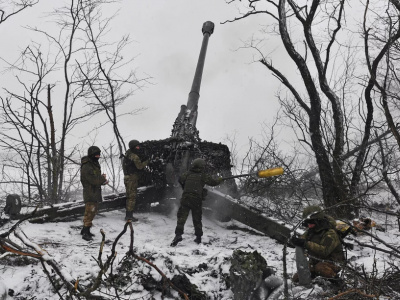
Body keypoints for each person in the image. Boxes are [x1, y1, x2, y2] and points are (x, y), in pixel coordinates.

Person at [171, 158, 223, 246]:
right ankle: (198, 238)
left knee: (181, 218)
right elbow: (213, 182)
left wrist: (184, 187)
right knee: (197, 219)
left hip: (186, 198)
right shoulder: (203, 175)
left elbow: (180, 179)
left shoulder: (188, 173)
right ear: (201, 166)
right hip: (196, 200)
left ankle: (178, 235)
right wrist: (220, 179)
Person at [290, 205, 345, 282]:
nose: (309, 225)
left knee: (320, 268)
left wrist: (305, 244)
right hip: (316, 262)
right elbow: (302, 240)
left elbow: (324, 251)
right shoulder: (311, 230)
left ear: (318, 221)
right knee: (298, 277)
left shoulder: (330, 233)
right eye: (307, 223)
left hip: (333, 263)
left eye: (311, 223)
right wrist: (295, 241)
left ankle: (337, 282)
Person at [80, 146, 108, 241]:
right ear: (91, 154)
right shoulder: (87, 165)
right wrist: (102, 179)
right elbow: (93, 180)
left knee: (92, 211)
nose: (98, 156)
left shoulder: (94, 163)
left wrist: (102, 181)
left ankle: (85, 230)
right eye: (96, 154)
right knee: (90, 211)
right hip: (90, 192)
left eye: (99, 154)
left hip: (95, 191)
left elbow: (95, 179)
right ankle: (85, 232)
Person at [122, 140, 149, 221]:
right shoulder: (134, 156)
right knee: (132, 197)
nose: (139, 148)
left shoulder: (127, 155)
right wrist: (147, 161)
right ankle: (129, 216)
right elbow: (140, 166)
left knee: (129, 196)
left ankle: (128, 214)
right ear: (133, 147)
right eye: (137, 146)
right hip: (132, 178)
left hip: (127, 177)